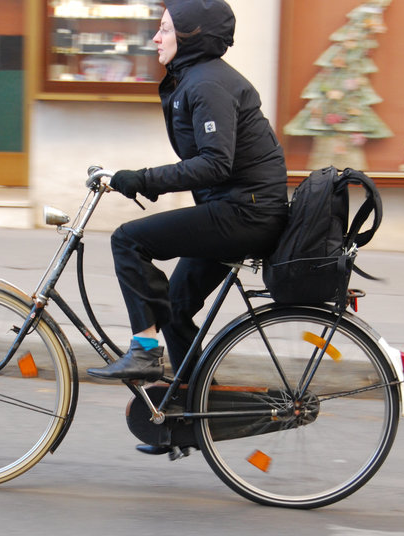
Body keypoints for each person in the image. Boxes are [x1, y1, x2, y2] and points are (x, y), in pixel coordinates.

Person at [87, 0, 288, 389]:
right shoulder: (197, 78)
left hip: (245, 214)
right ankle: (192, 403)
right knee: (176, 307)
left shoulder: (207, 83)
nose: (155, 37)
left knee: (128, 240)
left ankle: (144, 350)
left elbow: (215, 164)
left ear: (191, 34)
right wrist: (139, 179)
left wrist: (142, 179)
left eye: (164, 28)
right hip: (239, 210)